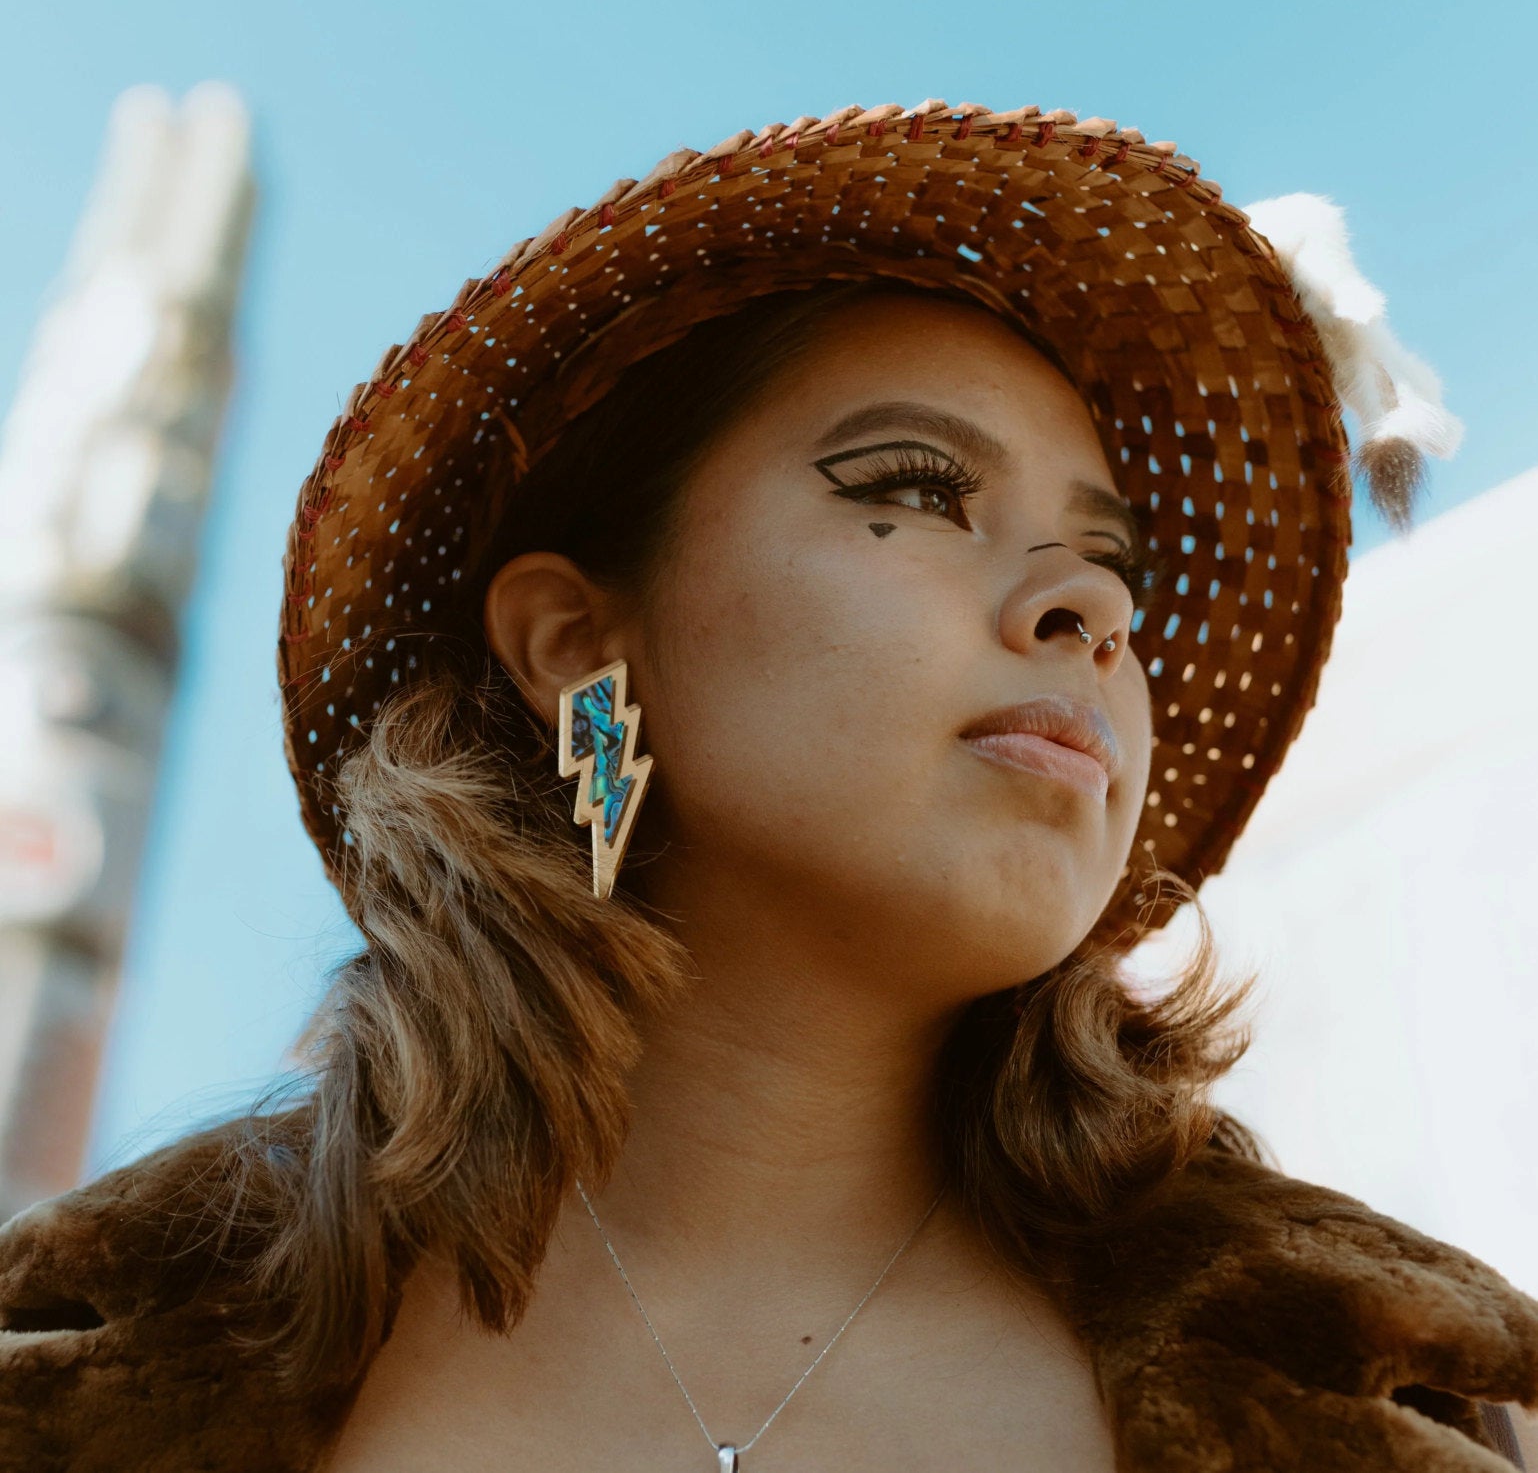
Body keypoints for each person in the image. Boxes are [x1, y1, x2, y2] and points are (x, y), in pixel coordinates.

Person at [2, 98, 1534, 1473]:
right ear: (575, 641)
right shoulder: (90, 1360)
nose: (1092, 608)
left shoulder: (1390, 1382)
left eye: (1116, 564)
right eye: (918, 487)